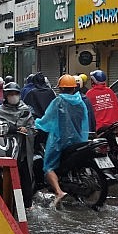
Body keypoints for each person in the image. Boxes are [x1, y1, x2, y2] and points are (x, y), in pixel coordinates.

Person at [34, 74, 91, 206]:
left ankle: (59, 191)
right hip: (77, 139)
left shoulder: (59, 101)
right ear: (74, 88)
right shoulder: (80, 101)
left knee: (48, 166)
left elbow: (47, 119)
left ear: (61, 89)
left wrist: (36, 123)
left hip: (60, 139)